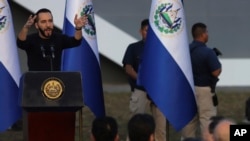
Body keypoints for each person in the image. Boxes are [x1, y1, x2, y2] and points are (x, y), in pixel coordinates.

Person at [122, 19, 167, 141]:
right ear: (141, 31)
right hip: (140, 90)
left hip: (158, 92)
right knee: (135, 125)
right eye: (147, 30)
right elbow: (128, 68)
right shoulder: (133, 48)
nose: (149, 33)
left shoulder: (161, 49)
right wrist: (143, 79)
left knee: (160, 128)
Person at [181, 22, 222, 139]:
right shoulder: (208, 52)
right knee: (207, 120)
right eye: (207, 32)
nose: (208, 34)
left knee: (189, 121)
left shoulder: (185, 50)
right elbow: (216, 71)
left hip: (188, 89)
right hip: (204, 90)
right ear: (203, 35)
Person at [16, 8, 88, 71]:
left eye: (50, 21)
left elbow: (76, 41)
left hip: (55, 84)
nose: (48, 25)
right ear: (36, 25)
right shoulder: (32, 39)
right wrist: (26, 27)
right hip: (35, 83)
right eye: (43, 22)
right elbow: (20, 43)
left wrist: (78, 28)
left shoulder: (59, 38)